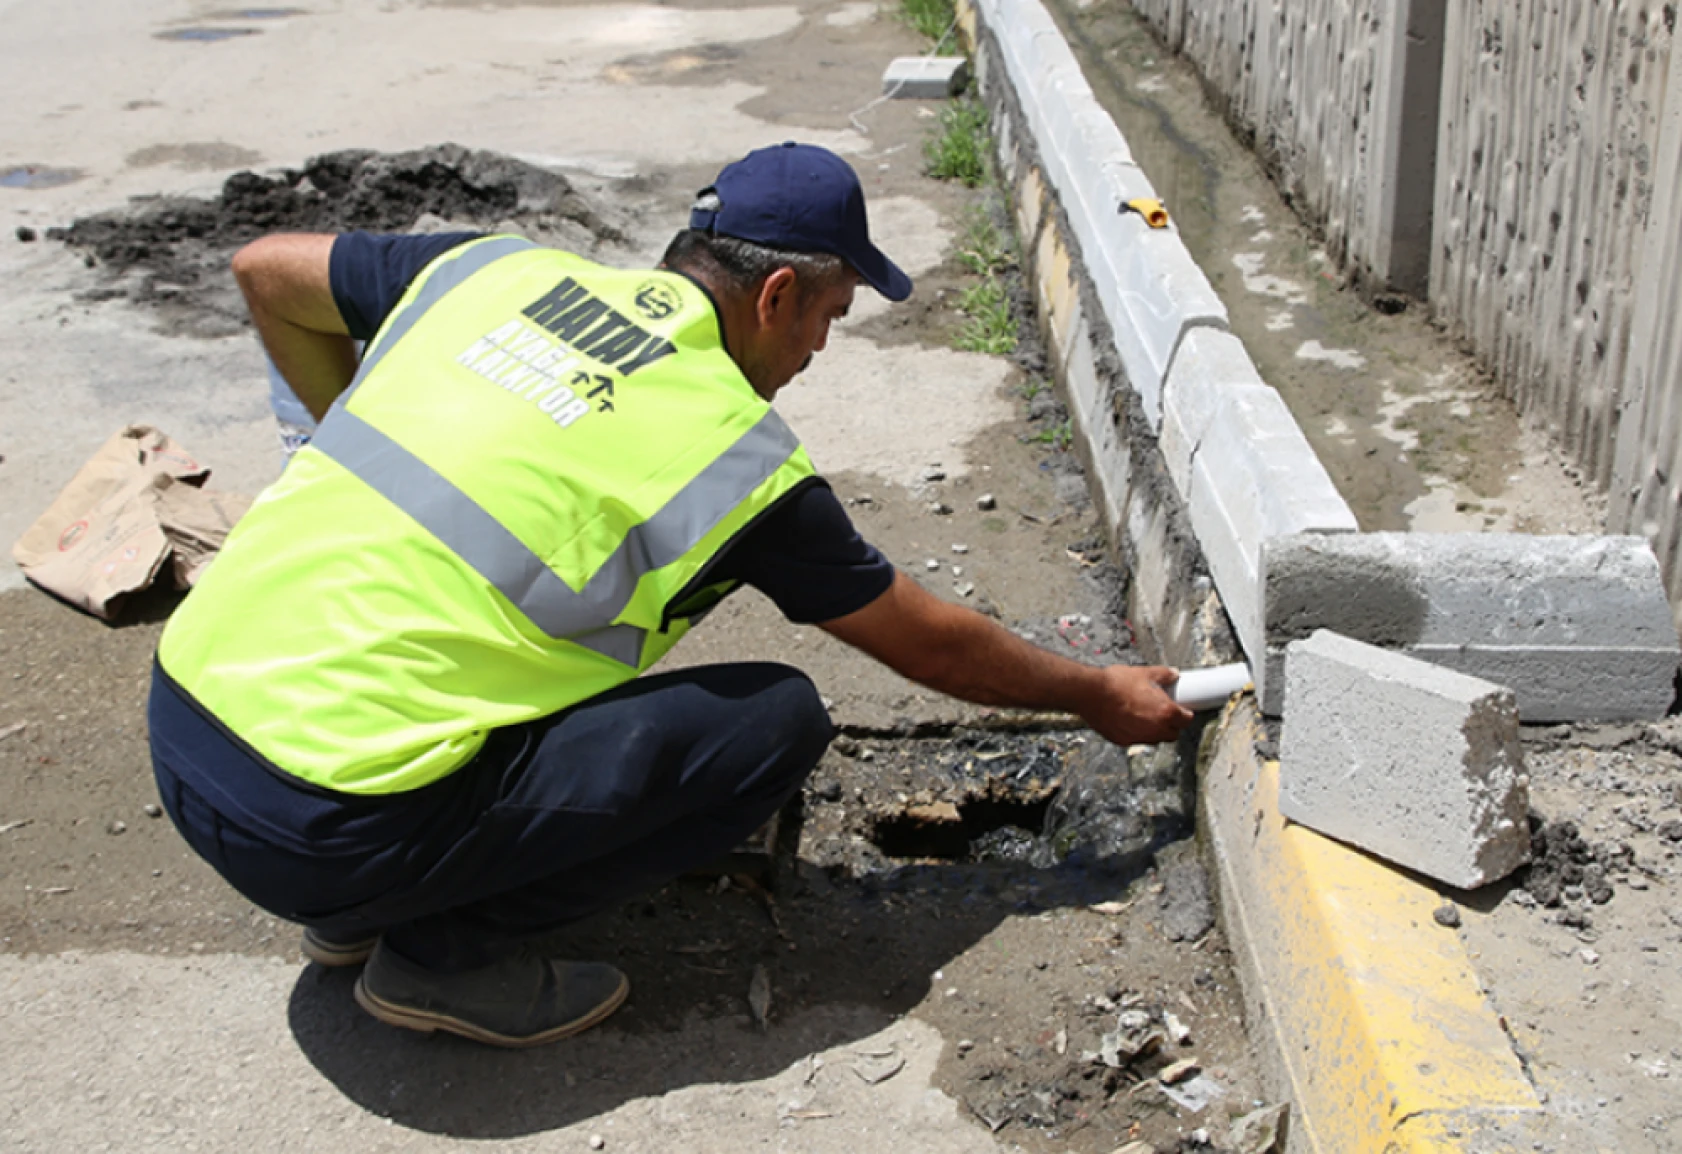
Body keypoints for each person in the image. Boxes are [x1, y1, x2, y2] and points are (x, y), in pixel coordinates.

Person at [147, 141, 1193, 1049]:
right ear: (774, 295)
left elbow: (265, 269)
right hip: (328, 821)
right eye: (828, 316)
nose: (819, 349)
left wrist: (346, 427)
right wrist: (1095, 692)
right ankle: (440, 953)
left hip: (187, 720)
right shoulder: (729, 457)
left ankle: (359, 904)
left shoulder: (492, 273)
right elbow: (928, 643)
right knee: (776, 722)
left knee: (483, 666)